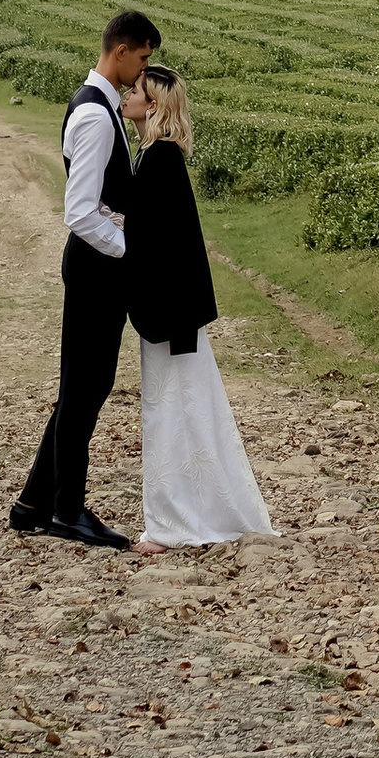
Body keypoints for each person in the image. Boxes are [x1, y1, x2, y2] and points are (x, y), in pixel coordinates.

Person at [9, 4, 161, 549]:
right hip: (98, 268)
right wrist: (129, 251)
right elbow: (79, 211)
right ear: (120, 50)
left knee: (83, 385)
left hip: (96, 267)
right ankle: (68, 511)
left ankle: (33, 503)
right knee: (84, 390)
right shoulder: (96, 115)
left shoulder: (96, 103)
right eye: (141, 59)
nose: (144, 70)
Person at [123, 66, 274, 555]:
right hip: (170, 310)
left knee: (171, 410)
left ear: (153, 105)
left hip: (169, 312)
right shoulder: (155, 154)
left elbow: (158, 240)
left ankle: (173, 523)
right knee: (178, 407)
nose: (126, 95)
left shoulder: (160, 158)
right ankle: (186, 512)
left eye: (135, 90)